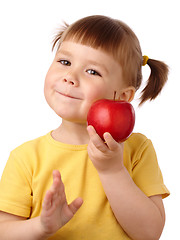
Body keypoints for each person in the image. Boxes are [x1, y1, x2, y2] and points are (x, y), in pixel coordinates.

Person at [0, 15, 170, 240]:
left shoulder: (137, 149)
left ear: (122, 96)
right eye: (65, 62)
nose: (70, 76)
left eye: (92, 71)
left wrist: (113, 171)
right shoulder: (26, 157)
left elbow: (149, 233)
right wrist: (41, 226)